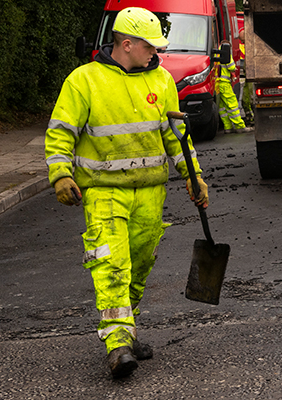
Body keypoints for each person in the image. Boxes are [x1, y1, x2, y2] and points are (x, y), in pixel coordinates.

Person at [44, 6, 208, 379]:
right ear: (128, 44)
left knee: (138, 264)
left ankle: (127, 330)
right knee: (111, 263)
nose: (157, 53)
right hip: (103, 193)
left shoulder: (162, 81)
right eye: (151, 46)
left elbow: (175, 136)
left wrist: (193, 175)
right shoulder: (83, 81)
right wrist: (60, 174)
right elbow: (61, 132)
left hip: (150, 194)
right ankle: (117, 344)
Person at [214, 47, 247, 133]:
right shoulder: (225, 53)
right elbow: (232, 67)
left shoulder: (216, 54)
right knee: (232, 105)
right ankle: (240, 126)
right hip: (224, 83)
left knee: (222, 107)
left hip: (217, 84)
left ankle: (227, 127)